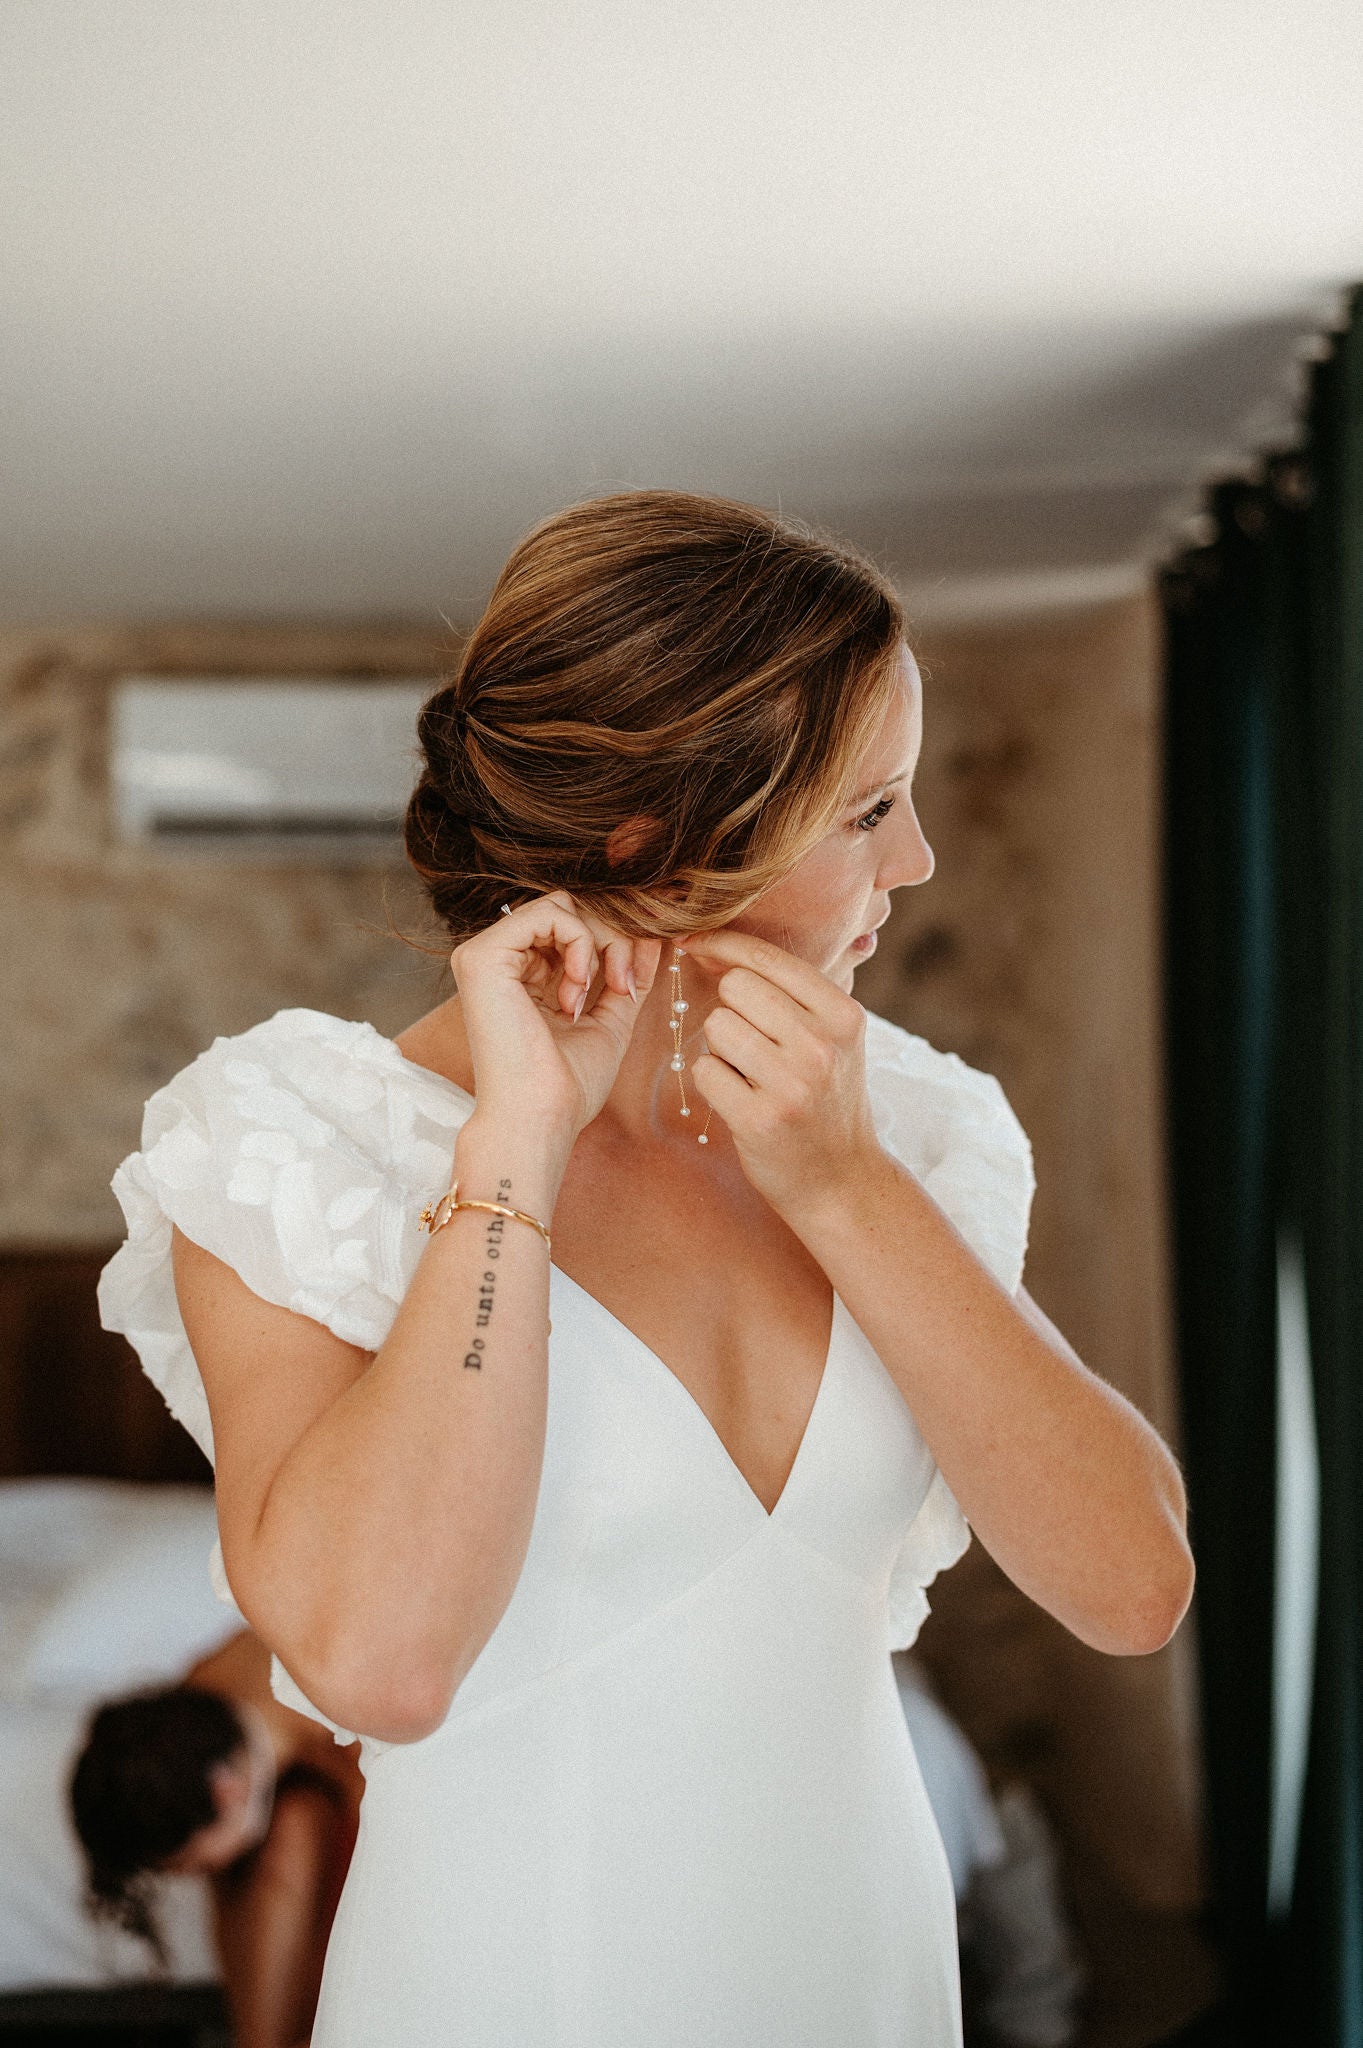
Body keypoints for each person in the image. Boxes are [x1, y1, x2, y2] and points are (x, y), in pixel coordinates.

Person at [97, 489, 1195, 2047]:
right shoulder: (300, 1140)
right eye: (868, 811)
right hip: (505, 1988)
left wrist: (845, 1185)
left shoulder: (915, 1130)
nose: (924, 857)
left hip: (864, 1978)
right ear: (656, 841)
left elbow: (1131, 1587)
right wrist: (513, 1152)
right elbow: (380, 1663)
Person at [69, 1628, 361, 2048]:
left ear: (225, 1789)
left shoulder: (353, 1729)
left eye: (199, 1866)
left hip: (378, 1775)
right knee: (288, 1826)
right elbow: (229, 1899)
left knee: (291, 1829)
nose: (196, 1879)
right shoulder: (189, 1724)